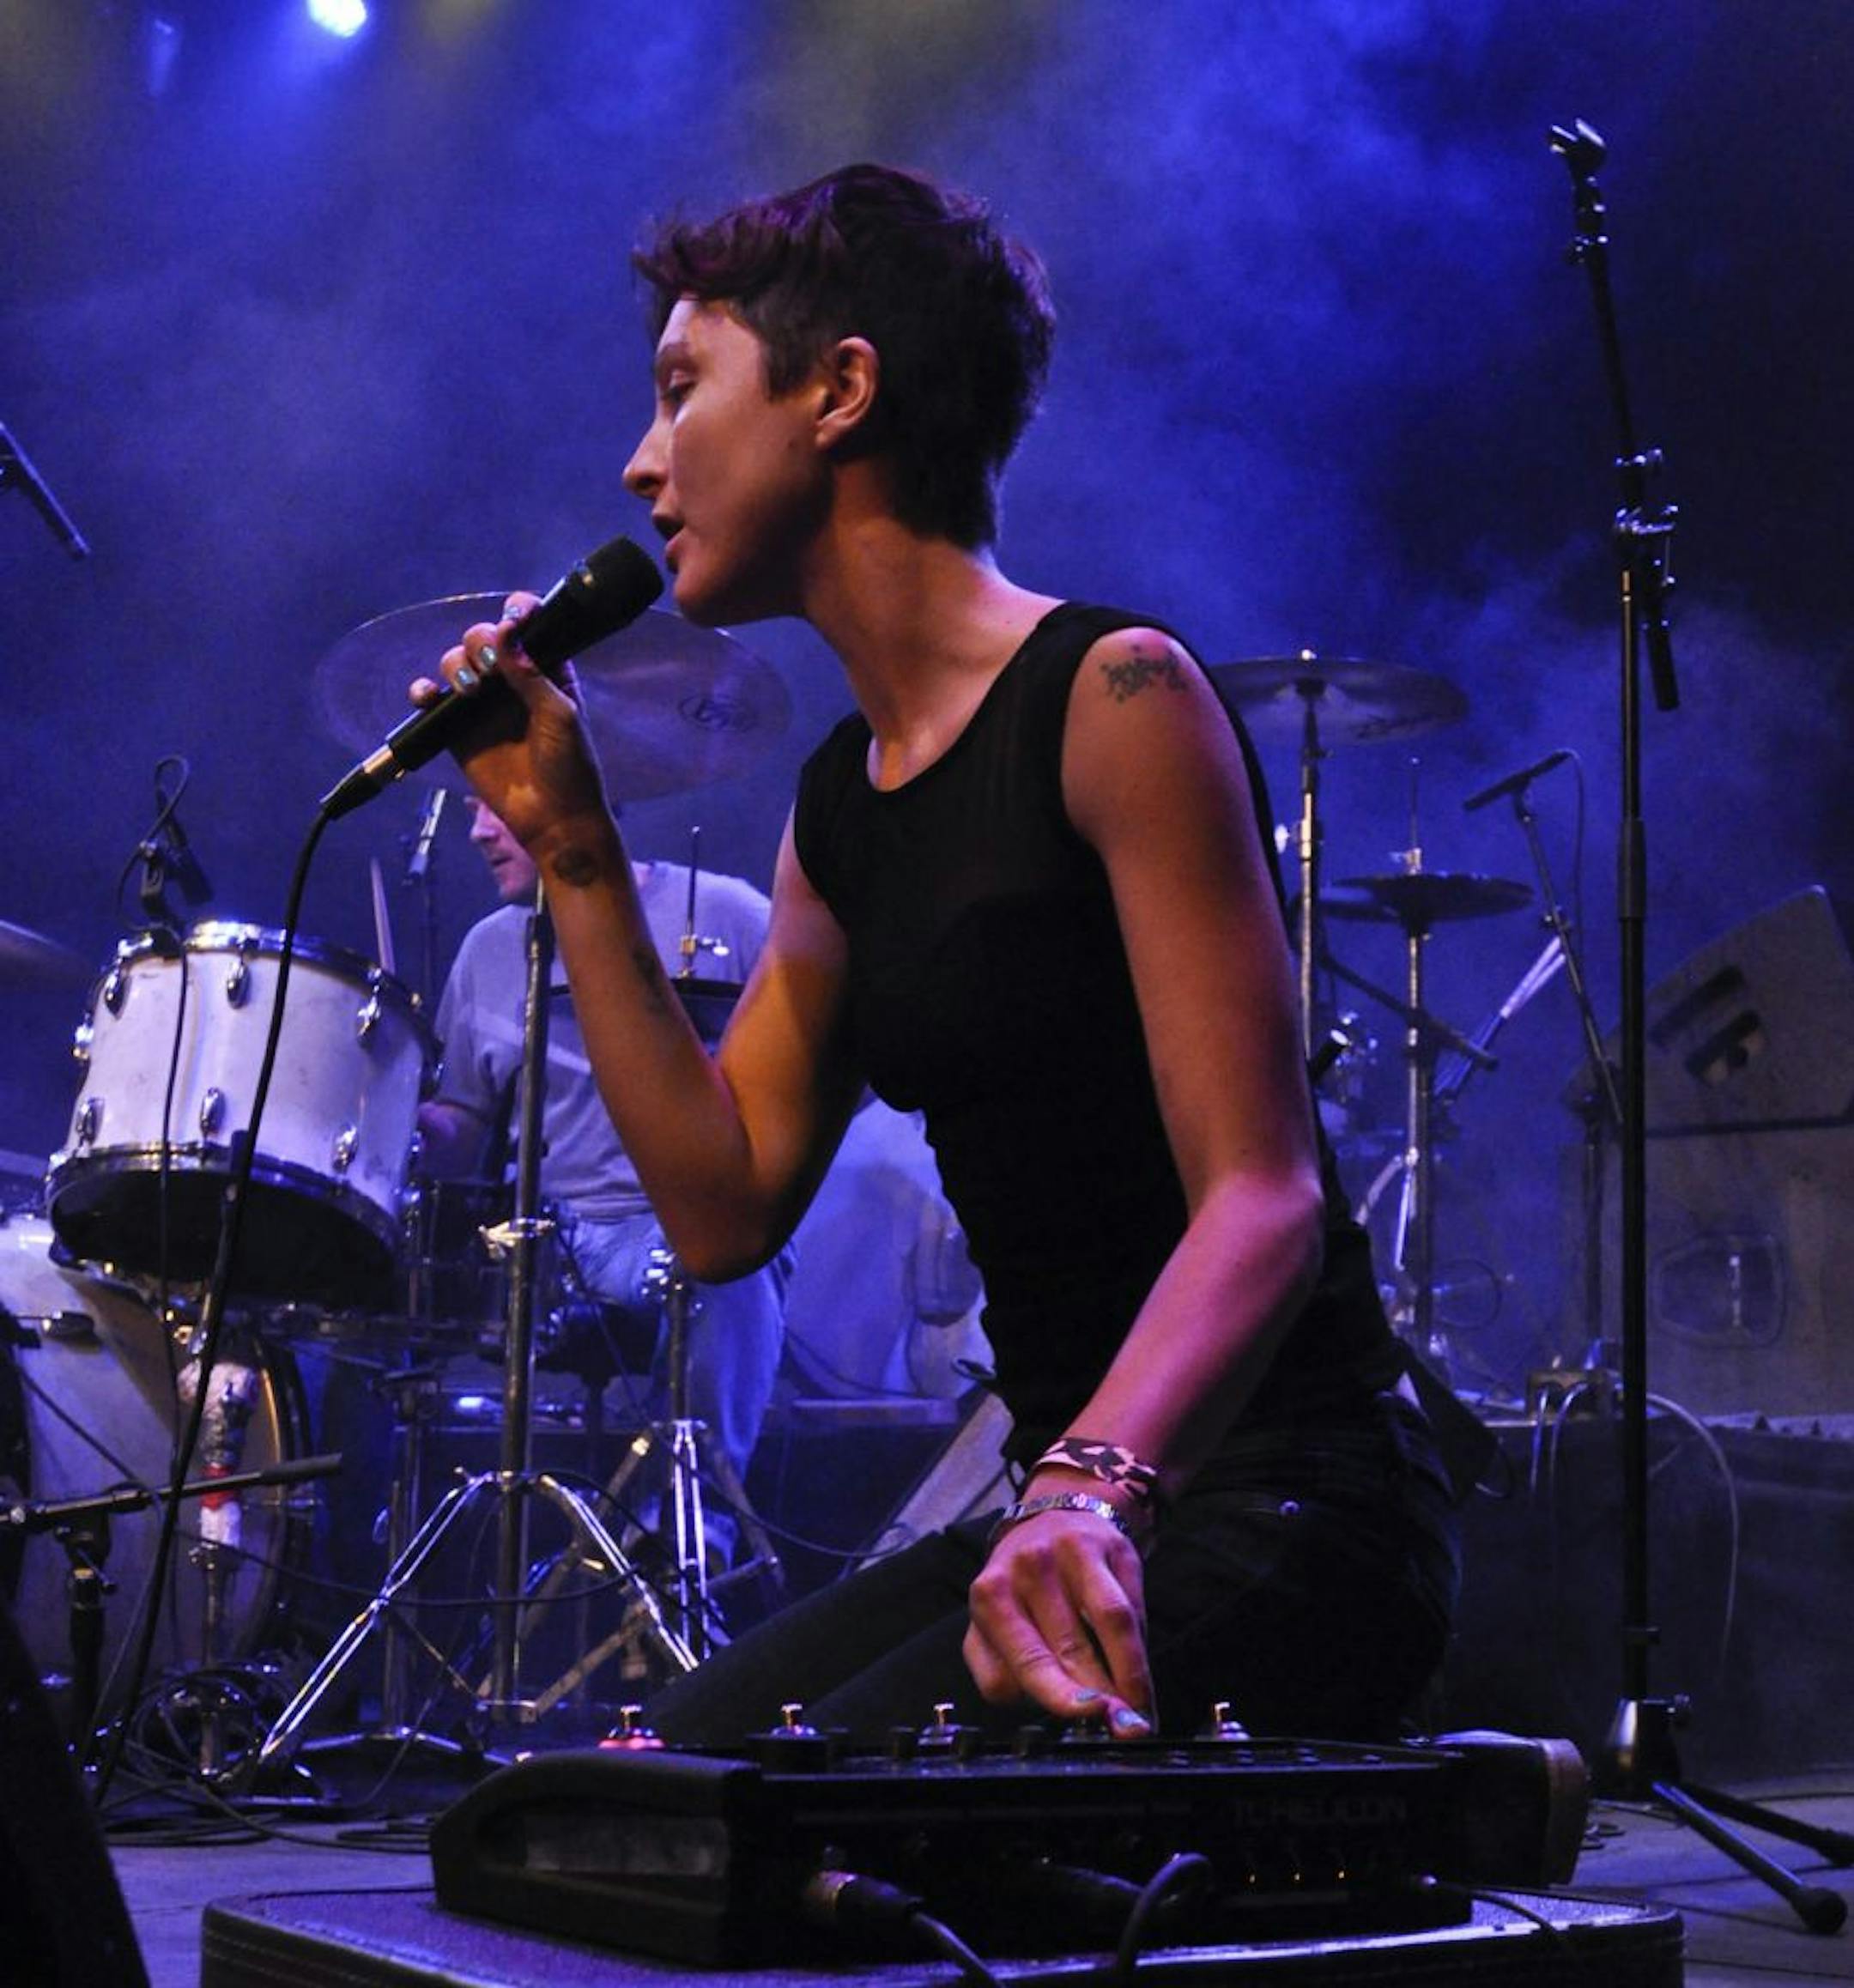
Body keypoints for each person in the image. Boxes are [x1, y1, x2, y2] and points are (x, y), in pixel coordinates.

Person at [415, 162, 1462, 1745]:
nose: (641, 465)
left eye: (681, 392)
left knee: (798, 1845)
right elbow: (719, 1205)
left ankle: (1424, 1801)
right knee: (619, 1810)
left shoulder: (1118, 696)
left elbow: (1268, 1198)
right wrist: (573, 850)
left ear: (840, 391)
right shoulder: (844, 801)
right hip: (1062, 1517)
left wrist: (1087, 1491)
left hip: (1279, 1495)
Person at [416, 792, 786, 1568]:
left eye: (494, 806)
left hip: (678, 1219)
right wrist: (378, 1111)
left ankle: (691, 1537)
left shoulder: (723, 912)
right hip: (550, 1235)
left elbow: (826, 1066)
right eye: (471, 811)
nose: (478, 830)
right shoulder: (488, 950)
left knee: (730, 1267)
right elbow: (462, 1127)